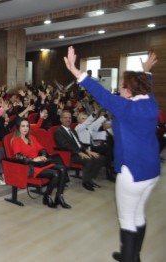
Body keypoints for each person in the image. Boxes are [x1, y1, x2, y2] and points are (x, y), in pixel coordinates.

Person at [64, 46, 160, 262]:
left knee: (127, 220)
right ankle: (134, 255)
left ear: (128, 91)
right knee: (138, 216)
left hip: (132, 172)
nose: (119, 89)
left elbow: (101, 94)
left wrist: (76, 72)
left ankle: (129, 258)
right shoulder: (150, 104)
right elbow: (147, 87)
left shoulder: (126, 108)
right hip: (151, 172)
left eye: (122, 86)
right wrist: (146, 72)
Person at [11, 118, 71, 209]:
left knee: (62, 168)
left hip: (40, 164)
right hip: (29, 167)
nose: (25, 128)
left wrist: (43, 155)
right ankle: (47, 196)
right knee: (55, 174)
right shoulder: (16, 140)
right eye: (23, 126)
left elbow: (42, 149)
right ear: (18, 127)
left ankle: (60, 196)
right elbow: (18, 156)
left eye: (27, 126)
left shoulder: (31, 137)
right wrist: (34, 159)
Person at [54, 110, 105, 191]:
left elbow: (79, 143)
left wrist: (88, 151)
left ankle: (90, 178)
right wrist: (80, 153)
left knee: (100, 158)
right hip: (69, 154)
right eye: (65, 118)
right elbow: (66, 145)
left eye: (69, 118)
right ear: (61, 119)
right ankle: (86, 182)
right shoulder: (59, 131)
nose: (68, 119)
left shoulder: (72, 130)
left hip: (77, 151)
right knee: (89, 160)